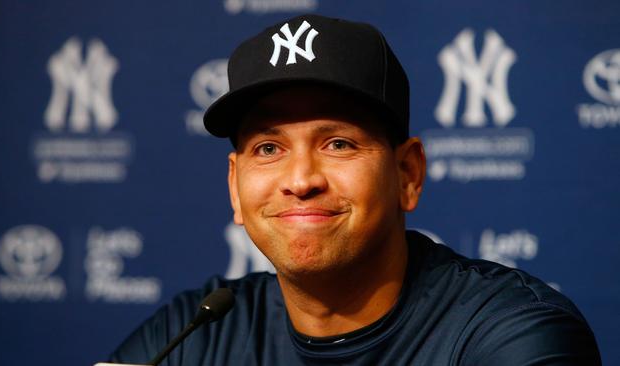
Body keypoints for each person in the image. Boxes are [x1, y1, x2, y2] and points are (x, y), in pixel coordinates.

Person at [110, 14, 601, 365]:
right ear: (235, 188)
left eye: (338, 143)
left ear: (407, 174)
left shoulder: (509, 333)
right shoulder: (194, 333)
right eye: (268, 148)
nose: (301, 180)